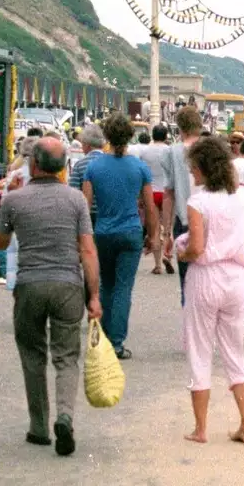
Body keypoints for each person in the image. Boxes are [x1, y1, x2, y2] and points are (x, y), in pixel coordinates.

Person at [0, 137, 101, 456]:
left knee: (32, 355)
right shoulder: (76, 200)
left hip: (30, 284)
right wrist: (93, 296)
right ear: (63, 167)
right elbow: (88, 250)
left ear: (33, 165)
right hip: (67, 284)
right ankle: (65, 416)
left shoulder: (15, 199)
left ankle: (39, 427)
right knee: (67, 357)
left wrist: (6, 211)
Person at [177, 136, 244, 443]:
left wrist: (180, 251)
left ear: (202, 168)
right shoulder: (241, 198)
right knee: (235, 353)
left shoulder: (198, 202)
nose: (192, 173)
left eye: (193, 167)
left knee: (200, 351)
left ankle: (200, 429)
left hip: (206, 276)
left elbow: (196, 247)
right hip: (237, 276)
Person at [82, 113, 158, 360]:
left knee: (106, 284)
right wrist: (153, 235)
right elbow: (149, 205)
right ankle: (116, 343)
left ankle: (102, 338)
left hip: (103, 232)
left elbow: (85, 205)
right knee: (124, 288)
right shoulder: (139, 168)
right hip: (130, 232)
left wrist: (83, 238)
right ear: (129, 136)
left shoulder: (93, 167)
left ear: (106, 136)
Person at [165, 105, 203, 291]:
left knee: (186, 280)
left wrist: (166, 233)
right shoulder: (210, 148)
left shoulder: (173, 151)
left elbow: (169, 194)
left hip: (184, 219)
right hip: (208, 219)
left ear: (180, 127)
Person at [140, 124, 173, 273]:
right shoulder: (170, 151)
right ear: (166, 136)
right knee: (167, 228)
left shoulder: (145, 152)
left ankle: (158, 265)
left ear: (152, 135)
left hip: (150, 193)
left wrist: (140, 197)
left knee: (154, 230)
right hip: (167, 193)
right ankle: (168, 254)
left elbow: (141, 175)